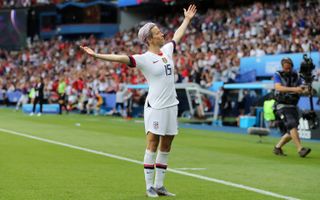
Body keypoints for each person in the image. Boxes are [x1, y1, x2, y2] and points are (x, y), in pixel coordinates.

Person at [80, 4, 197, 197]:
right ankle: (148, 186)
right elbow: (119, 58)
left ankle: (160, 185)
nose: (162, 35)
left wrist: (187, 20)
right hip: (156, 106)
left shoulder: (167, 51)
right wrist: (97, 55)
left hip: (171, 105)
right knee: (152, 144)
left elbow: (177, 36)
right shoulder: (143, 59)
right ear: (150, 39)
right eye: (158, 33)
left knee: (167, 145)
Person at [273, 57, 311, 157]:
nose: (288, 70)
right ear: (282, 67)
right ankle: (300, 150)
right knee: (292, 125)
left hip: (293, 106)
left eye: (289, 68)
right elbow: (278, 87)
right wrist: (295, 89)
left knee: (292, 132)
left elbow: (303, 88)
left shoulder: (297, 76)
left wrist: (306, 89)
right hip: (282, 104)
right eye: (286, 68)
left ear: (292, 66)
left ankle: (277, 148)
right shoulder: (278, 74)